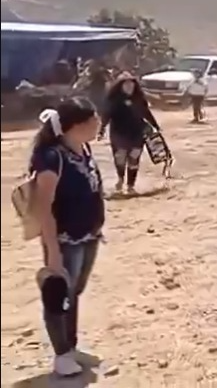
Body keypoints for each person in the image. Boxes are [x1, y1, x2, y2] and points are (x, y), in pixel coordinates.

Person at [29, 99, 104, 376]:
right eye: (94, 119)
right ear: (77, 125)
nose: (98, 123)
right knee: (59, 295)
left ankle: (70, 346)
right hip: (64, 239)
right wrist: (52, 250)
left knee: (74, 292)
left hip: (89, 235)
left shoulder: (83, 149)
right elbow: (43, 207)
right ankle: (61, 354)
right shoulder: (51, 157)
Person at [99, 74, 160, 194]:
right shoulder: (114, 100)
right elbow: (107, 115)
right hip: (118, 132)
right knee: (120, 157)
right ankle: (120, 178)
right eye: (126, 84)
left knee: (134, 157)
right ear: (120, 86)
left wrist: (155, 126)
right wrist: (102, 129)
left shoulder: (139, 99)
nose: (129, 87)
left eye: (131, 84)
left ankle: (131, 185)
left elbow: (147, 113)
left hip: (137, 132)